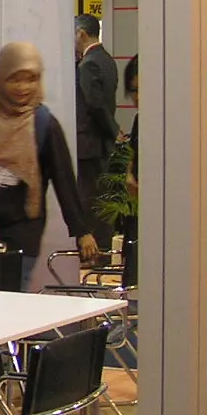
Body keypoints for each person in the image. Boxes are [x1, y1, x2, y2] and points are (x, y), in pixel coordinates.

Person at [123, 55, 207, 390]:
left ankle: (206, 369)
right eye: (133, 90)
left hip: (200, 217)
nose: (137, 97)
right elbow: (139, 171)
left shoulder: (184, 121)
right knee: (175, 295)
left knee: (184, 294)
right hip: (165, 218)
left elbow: (190, 177)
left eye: (143, 88)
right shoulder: (144, 122)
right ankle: (191, 368)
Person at [0, 41, 98, 285]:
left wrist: (81, 231)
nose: (23, 87)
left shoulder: (44, 124)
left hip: (22, 228)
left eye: (31, 79)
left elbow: (63, 179)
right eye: (14, 79)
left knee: (13, 293)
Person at [74, 13, 120, 252]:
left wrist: (113, 130)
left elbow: (94, 104)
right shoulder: (107, 60)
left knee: (89, 199)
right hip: (102, 144)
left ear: (81, 33)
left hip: (89, 144)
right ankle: (103, 248)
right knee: (102, 198)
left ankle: (94, 251)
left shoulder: (88, 64)